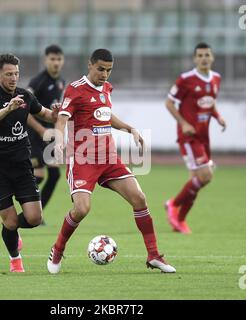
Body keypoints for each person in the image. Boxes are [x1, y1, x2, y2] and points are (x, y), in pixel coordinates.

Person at [47, 48, 176, 274]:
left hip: (108, 158)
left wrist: (129, 129)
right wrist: (59, 140)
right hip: (82, 160)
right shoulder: (75, 90)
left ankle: (154, 255)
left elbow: (105, 115)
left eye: (108, 70)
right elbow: (62, 119)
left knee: (139, 198)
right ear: (90, 65)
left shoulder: (107, 88)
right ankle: (57, 249)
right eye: (100, 69)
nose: (105, 74)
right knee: (81, 209)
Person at [0, 53, 58, 273]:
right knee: (11, 221)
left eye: (16, 73)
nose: (13, 78)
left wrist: (57, 112)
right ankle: (15, 259)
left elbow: (45, 113)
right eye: (8, 74)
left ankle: (10, 230)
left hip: (22, 166)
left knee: (34, 218)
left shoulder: (25, 96)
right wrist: (8, 109)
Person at [164, 42, 227, 234]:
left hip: (204, 136)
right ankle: (173, 204)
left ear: (213, 57)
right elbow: (169, 103)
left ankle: (179, 220)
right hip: (189, 137)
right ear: (194, 59)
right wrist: (183, 123)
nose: (204, 58)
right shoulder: (185, 79)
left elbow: (210, 103)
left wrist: (218, 117)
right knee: (206, 175)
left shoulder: (216, 78)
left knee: (196, 181)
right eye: (199, 55)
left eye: (207, 55)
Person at [26, 45, 66, 221]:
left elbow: (59, 112)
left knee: (55, 175)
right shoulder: (37, 82)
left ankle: (37, 214)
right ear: (45, 60)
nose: (56, 63)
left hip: (49, 135)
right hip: (34, 134)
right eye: (52, 59)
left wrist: (59, 135)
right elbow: (24, 110)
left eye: (58, 59)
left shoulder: (61, 82)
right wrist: (41, 129)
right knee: (39, 175)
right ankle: (21, 207)